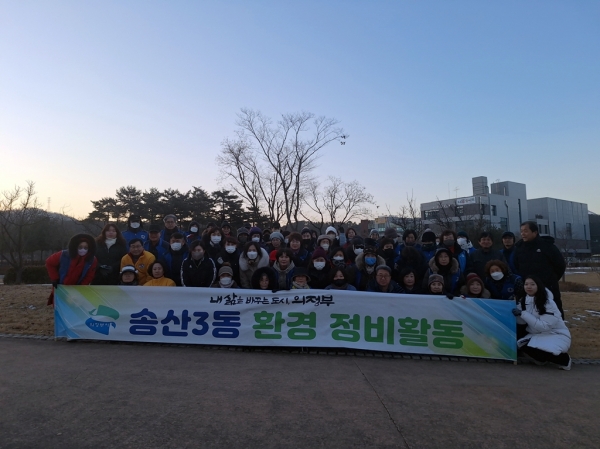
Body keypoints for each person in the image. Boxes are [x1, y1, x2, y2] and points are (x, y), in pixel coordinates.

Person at [513, 276, 571, 370]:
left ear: (538, 286)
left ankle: (565, 360)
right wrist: (516, 312)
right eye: (526, 284)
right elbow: (522, 322)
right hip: (535, 334)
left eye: (532, 284)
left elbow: (545, 326)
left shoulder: (548, 303)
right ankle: (541, 359)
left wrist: (523, 314)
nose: (529, 287)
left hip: (554, 333)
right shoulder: (523, 301)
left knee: (548, 351)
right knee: (521, 345)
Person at [514, 221, 566, 317]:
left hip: (547, 287)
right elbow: (516, 266)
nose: (523, 234)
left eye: (526, 231)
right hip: (527, 288)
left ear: (535, 232)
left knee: (551, 312)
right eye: (521, 231)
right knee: (527, 314)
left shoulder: (547, 246)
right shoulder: (519, 247)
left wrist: (551, 279)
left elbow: (560, 265)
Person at [45, 233, 98, 305]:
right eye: (80, 247)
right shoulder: (63, 255)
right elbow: (49, 262)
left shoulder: (92, 260)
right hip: (61, 286)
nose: (83, 250)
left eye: (86, 248)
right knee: (59, 306)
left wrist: (80, 288)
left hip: (77, 290)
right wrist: (55, 279)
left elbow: (89, 276)